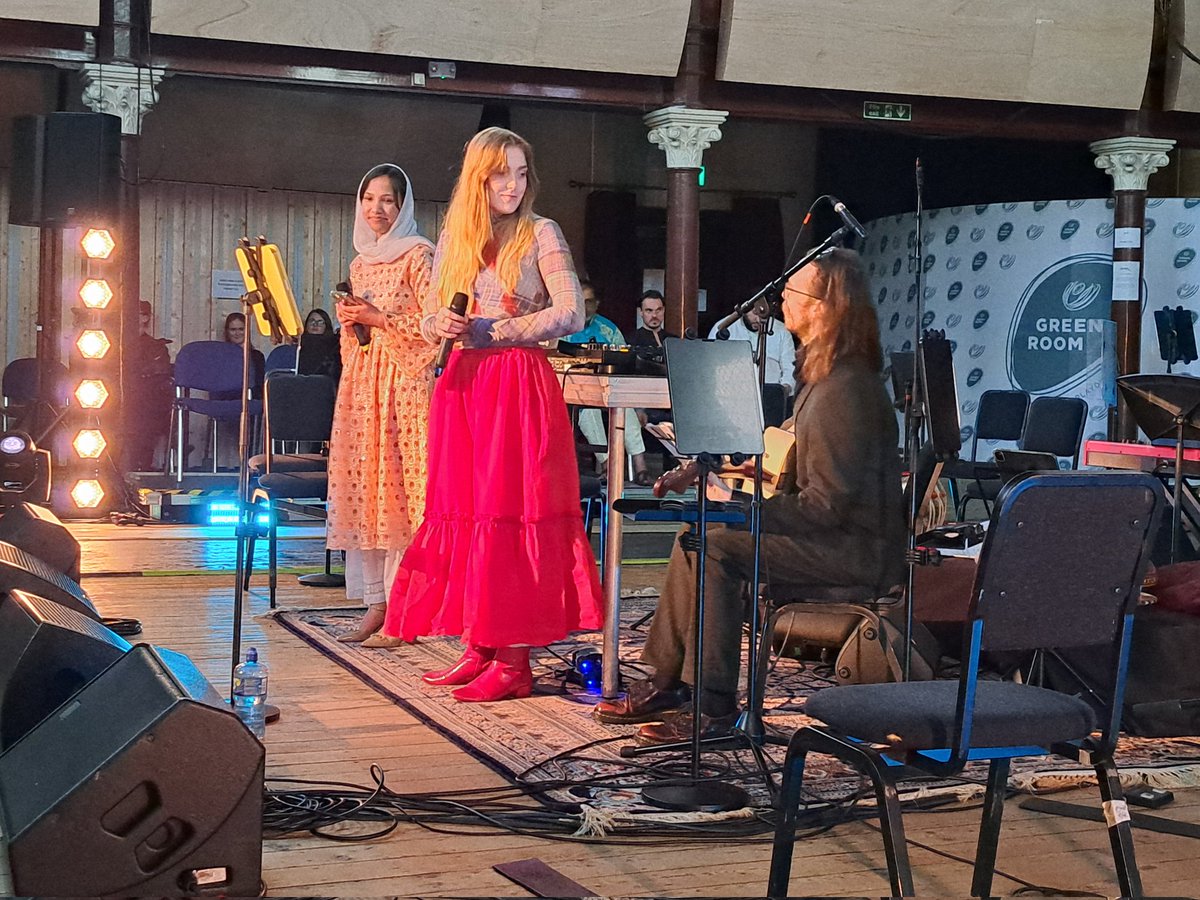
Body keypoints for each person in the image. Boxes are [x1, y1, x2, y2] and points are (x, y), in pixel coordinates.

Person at [593, 248, 906, 743]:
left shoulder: (844, 389)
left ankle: (715, 710)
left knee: (718, 546)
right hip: (838, 536)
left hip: (853, 552)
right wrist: (722, 472)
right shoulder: (830, 378)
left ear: (824, 307)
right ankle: (669, 682)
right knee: (697, 534)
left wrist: (742, 510)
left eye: (795, 291)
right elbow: (808, 471)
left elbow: (825, 506)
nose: (783, 296)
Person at [378, 126, 604, 702]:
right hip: (464, 384)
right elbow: (431, 317)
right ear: (479, 177)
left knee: (510, 512)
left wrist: (492, 329)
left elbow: (571, 314)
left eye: (522, 172)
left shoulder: (542, 232)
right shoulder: (457, 235)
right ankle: (479, 644)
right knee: (467, 510)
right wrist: (442, 325)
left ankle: (515, 656)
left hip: (514, 382)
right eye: (502, 172)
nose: (513, 184)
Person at [329, 164, 437, 644]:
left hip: (408, 385)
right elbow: (358, 340)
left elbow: (435, 327)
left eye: (387, 200)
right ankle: (377, 602)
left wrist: (379, 316)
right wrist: (353, 321)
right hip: (366, 385)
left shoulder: (419, 255)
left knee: (402, 495)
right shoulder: (360, 262)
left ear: (404, 205)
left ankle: (407, 609)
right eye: (369, 198)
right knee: (368, 493)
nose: (377, 209)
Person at [563, 281, 651, 484]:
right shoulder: (564, 327)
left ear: (597, 303)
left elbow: (626, 360)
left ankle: (641, 467)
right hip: (577, 393)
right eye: (580, 301)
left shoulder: (608, 329)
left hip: (610, 389)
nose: (584, 307)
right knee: (589, 413)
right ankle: (607, 464)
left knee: (624, 407)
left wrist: (639, 406)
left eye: (589, 302)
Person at [707, 303, 797, 397]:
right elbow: (711, 366)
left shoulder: (781, 331)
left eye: (763, 314)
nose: (758, 319)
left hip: (770, 398)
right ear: (744, 309)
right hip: (731, 396)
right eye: (755, 313)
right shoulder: (724, 327)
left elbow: (790, 368)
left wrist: (784, 389)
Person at [127, 300, 174, 471]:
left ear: (145, 318)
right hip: (120, 398)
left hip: (145, 401)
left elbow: (160, 374)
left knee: (149, 403)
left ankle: (142, 463)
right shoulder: (111, 344)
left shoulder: (156, 347)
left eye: (136, 314)